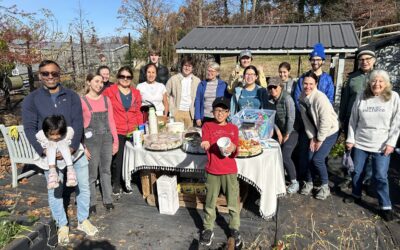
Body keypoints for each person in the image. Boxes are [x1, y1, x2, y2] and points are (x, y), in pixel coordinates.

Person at [22, 60, 98, 245]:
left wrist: (72, 146)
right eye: (45, 73)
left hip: (74, 152)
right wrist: (43, 150)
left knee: (84, 186)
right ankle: (62, 224)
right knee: (55, 190)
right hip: (50, 155)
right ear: (39, 75)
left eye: (54, 73)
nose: (50, 77)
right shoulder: (32, 99)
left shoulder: (71, 96)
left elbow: (78, 122)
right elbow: (30, 128)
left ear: (59, 74)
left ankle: (83, 220)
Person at [344, 70, 400, 221]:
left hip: (381, 145)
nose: (377, 84)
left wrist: (391, 143)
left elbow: (396, 123)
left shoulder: (393, 97)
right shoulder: (362, 96)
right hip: (361, 142)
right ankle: (356, 194)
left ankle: (385, 206)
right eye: (374, 81)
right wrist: (350, 138)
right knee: (356, 172)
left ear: (386, 83)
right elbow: (353, 119)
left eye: (381, 81)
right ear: (369, 82)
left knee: (380, 176)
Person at [199, 96, 242, 248]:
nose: (220, 114)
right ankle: (208, 228)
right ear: (213, 111)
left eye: (223, 111)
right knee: (210, 202)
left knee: (232, 202)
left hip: (229, 170)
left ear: (228, 112)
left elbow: (236, 147)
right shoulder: (208, 126)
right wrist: (205, 144)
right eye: (217, 110)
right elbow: (204, 141)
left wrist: (233, 148)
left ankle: (234, 228)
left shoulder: (233, 128)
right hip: (212, 170)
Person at [293, 43, 335, 191]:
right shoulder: (303, 79)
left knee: (320, 154)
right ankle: (306, 179)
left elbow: (329, 102)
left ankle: (321, 180)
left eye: (318, 59)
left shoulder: (327, 80)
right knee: (306, 152)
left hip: (323, 124)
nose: (315, 62)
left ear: (323, 61)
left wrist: (319, 127)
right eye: (313, 59)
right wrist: (309, 118)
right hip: (308, 124)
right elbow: (299, 100)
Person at [81, 72, 119, 215]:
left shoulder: (106, 100)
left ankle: (108, 199)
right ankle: (91, 202)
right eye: (96, 81)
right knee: (91, 174)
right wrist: (83, 146)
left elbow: (111, 122)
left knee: (106, 171)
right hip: (90, 141)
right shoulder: (82, 101)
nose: (99, 84)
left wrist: (115, 142)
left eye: (101, 82)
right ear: (89, 82)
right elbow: (80, 126)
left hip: (106, 140)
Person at [338, 50, 377, 189]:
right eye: (361, 59)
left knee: (370, 151)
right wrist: (341, 118)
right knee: (351, 148)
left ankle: (366, 179)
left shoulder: (379, 78)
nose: (364, 62)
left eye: (367, 59)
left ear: (373, 60)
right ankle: (350, 175)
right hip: (352, 119)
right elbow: (344, 100)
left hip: (371, 121)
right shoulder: (353, 78)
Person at [298, 71, 339, 200]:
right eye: (305, 83)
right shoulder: (302, 98)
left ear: (316, 84)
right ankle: (309, 183)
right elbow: (306, 120)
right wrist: (312, 137)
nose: (307, 87)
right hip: (316, 131)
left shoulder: (320, 98)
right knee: (309, 156)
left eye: (311, 84)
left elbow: (325, 121)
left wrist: (320, 139)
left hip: (330, 131)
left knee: (318, 159)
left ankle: (325, 186)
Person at [103, 66, 143, 194]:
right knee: (118, 158)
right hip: (117, 129)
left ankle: (128, 181)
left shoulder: (135, 93)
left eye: (128, 77)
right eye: (122, 76)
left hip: (132, 129)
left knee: (132, 156)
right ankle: (116, 183)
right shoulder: (110, 91)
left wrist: (141, 128)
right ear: (118, 77)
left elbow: (138, 112)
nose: (125, 79)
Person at [264, 77, 299, 193]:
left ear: (280, 87)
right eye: (270, 87)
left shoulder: (287, 98)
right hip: (279, 130)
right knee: (272, 151)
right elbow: (271, 117)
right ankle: (278, 178)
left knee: (285, 155)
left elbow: (291, 117)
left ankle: (294, 182)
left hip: (292, 131)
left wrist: (287, 133)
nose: (273, 89)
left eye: (275, 87)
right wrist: (278, 131)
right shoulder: (269, 100)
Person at [35, 115, 80, 189]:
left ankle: (70, 170)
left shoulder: (66, 134)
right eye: (52, 134)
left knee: (62, 143)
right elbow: (38, 136)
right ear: (46, 132)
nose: (55, 137)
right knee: (51, 144)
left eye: (58, 134)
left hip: (65, 156)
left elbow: (70, 132)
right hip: (51, 158)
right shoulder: (43, 137)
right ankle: (52, 173)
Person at [166, 55, 201, 128]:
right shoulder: (173, 79)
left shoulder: (197, 81)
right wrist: (172, 109)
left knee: (189, 136)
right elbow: (166, 95)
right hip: (177, 112)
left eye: (189, 66)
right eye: (185, 65)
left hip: (190, 113)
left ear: (192, 68)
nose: (187, 68)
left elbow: (199, 99)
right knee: (177, 135)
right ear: (182, 66)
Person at [194, 62, 229, 127]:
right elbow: (197, 101)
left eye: (212, 71)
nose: (210, 73)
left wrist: (227, 115)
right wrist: (197, 117)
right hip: (205, 117)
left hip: (219, 117)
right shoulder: (202, 84)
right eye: (208, 70)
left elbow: (227, 101)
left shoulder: (223, 85)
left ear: (217, 73)